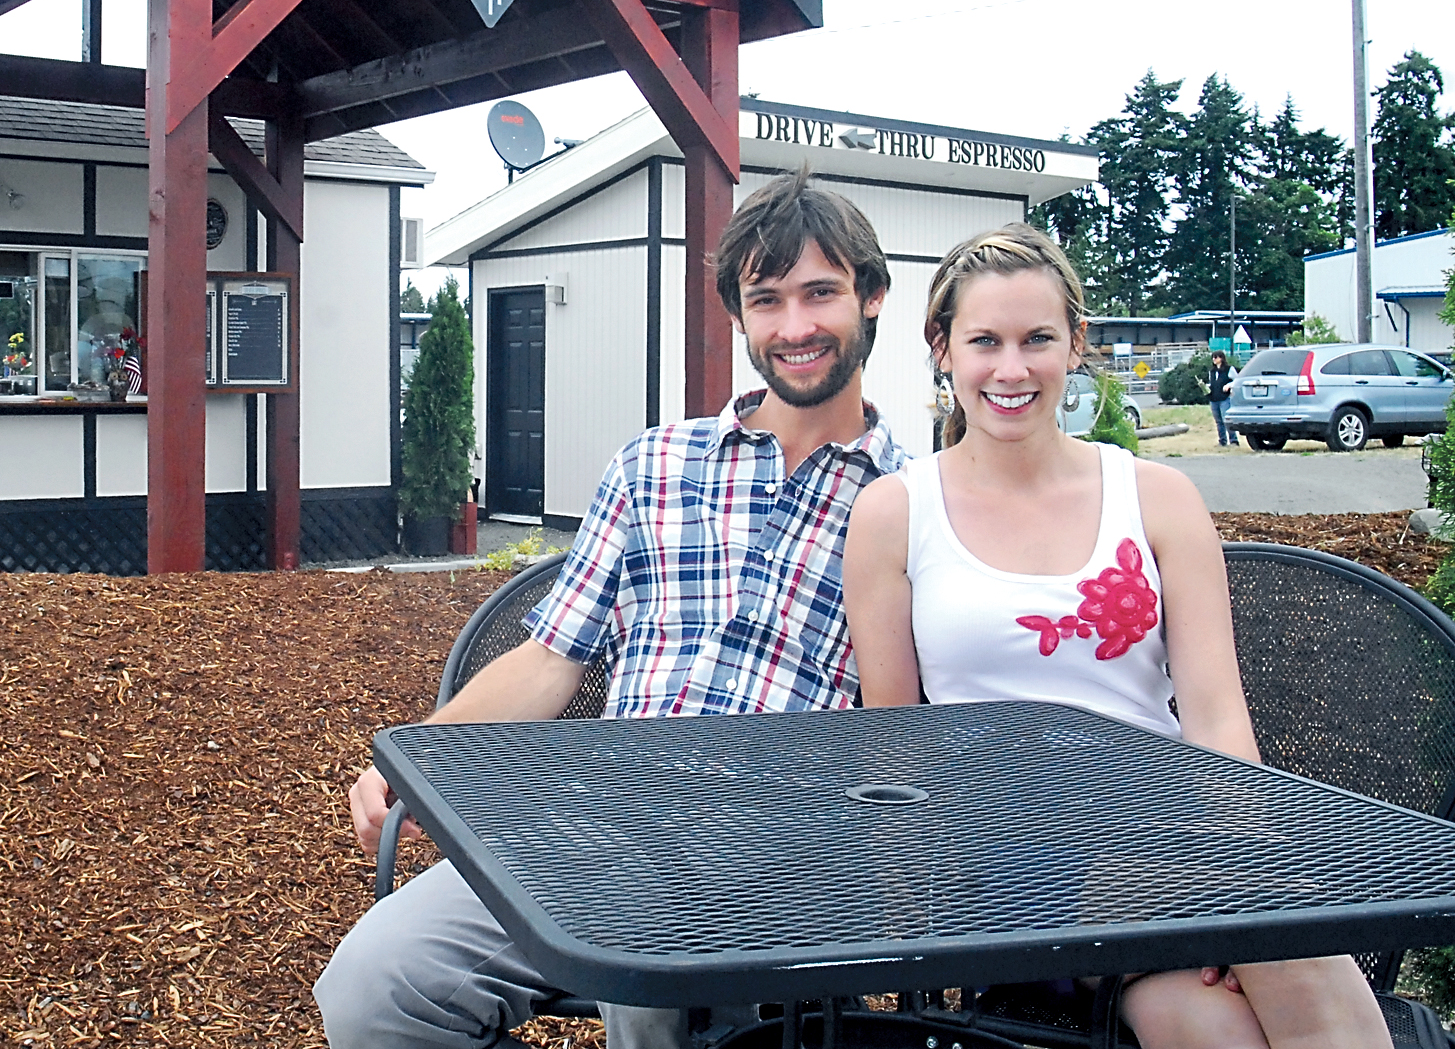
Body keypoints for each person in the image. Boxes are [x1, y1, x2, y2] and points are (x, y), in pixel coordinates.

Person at [318, 168, 909, 1049]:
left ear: (871, 298)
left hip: (786, 849)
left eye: (820, 293)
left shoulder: (915, 500)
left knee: (650, 956)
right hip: (594, 824)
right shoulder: (655, 464)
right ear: (737, 317)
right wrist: (417, 759)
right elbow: (550, 659)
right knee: (376, 988)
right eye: (766, 299)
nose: (794, 327)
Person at [841, 224, 1391, 1049]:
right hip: (1004, 857)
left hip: (1169, 839)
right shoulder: (895, 512)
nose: (1011, 369)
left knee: (1214, 1023)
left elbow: (1213, 720)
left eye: (1037, 340)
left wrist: (1239, 866)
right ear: (941, 348)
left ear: (1076, 344)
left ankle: (1226, 923)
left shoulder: (1158, 497)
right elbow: (893, 743)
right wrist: (907, 900)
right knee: (1294, 957)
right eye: (984, 341)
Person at [1208, 349, 1236, 447]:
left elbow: (1237, 380)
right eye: (1213, 357)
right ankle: (1222, 441)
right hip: (1214, 399)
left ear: (1221, 358)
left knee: (1226, 420)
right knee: (1218, 421)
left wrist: (1229, 385)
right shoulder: (1212, 371)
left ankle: (1233, 440)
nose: (1214, 359)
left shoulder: (1229, 369)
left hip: (1225, 398)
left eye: (1216, 357)